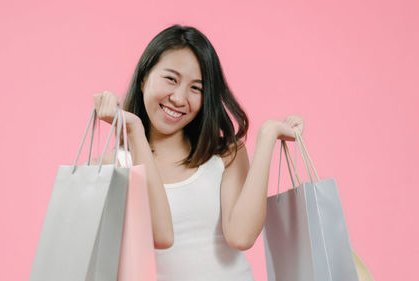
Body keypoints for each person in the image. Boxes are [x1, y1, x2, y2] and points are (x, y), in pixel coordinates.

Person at [93, 24, 304, 281]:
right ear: (143, 78)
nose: (180, 99)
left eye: (196, 88)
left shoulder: (224, 154)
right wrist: (134, 131)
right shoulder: (113, 164)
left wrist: (268, 135)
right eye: (171, 79)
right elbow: (160, 236)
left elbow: (241, 236)